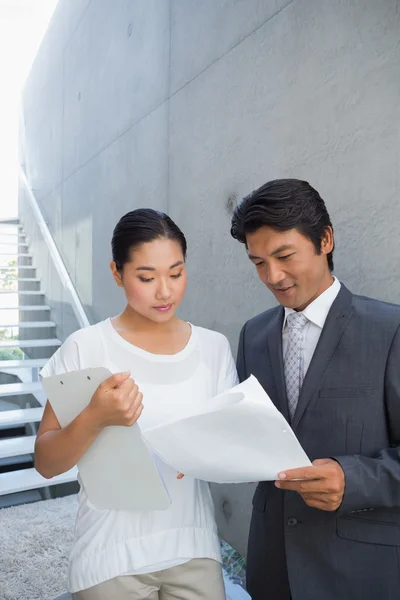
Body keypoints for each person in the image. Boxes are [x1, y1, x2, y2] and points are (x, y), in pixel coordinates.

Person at [35, 208, 237, 599]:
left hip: (193, 548)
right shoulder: (87, 347)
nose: (165, 291)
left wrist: (204, 451)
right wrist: (95, 416)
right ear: (117, 273)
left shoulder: (213, 348)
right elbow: (45, 462)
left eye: (176, 273)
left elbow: (224, 446)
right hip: (110, 555)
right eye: (147, 277)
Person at [230, 179, 400, 600]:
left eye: (284, 256)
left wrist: (352, 478)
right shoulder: (253, 335)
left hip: (358, 571)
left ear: (325, 239)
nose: (273, 276)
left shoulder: (390, 331)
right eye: (257, 263)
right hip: (273, 568)